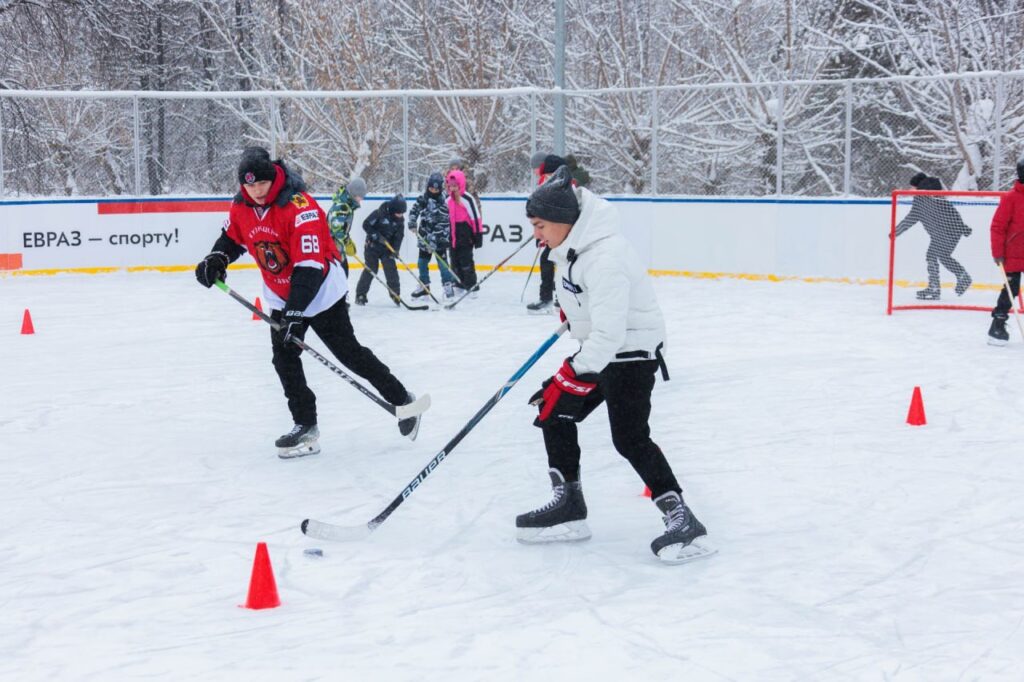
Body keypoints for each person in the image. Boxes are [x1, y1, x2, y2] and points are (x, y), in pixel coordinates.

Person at [515, 166, 711, 565]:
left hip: (632, 354)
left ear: (563, 221)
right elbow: (594, 314)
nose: (536, 234)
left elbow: (610, 333)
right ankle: (569, 502)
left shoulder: (604, 256)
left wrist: (570, 371)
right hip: (604, 350)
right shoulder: (575, 245)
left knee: (629, 437)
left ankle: (682, 518)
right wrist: (574, 318)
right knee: (552, 408)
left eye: (539, 225)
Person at [194, 148, 423, 457]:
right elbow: (232, 238)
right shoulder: (241, 206)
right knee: (284, 360)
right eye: (249, 186)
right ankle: (305, 426)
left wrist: (295, 313)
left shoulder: (301, 208)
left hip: (321, 293)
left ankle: (402, 399)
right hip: (281, 293)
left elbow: (310, 266)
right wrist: (217, 258)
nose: (256, 191)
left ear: (273, 177)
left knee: (349, 354)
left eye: (261, 184)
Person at [893, 173, 972, 300]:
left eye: (912, 187)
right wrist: (963, 227)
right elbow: (951, 211)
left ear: (918, 187)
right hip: (950, 233)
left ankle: (940, 286)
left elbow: (911, 218)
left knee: (933, 255)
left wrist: (895, 232)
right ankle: (953, 280)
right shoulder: (935, 196)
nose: (910, 190)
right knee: (941, 256)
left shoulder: (921, 199)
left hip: (944, 234)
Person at [526, 154, 571, 314]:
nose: (536, 172)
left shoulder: (563, 185)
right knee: (547, 260)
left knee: (559, 262)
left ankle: (558, 298)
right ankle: (550, 298)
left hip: (561, 234)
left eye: (537, 168)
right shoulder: (544, 182)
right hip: (550, 232)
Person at [987, 156, 1024, 345]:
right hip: (1014, 253)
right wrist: (998, 252)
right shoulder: (1011, 199)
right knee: (1011, 288)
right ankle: (997, 325)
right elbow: (997, 227)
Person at [353, 194, 408, 306]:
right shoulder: (379, 213)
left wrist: (395, 250)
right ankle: (360, 295)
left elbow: (399, 236)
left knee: (391, 269)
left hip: (387, 249)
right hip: (372, 246)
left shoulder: (400, 220)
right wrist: (377, 236)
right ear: (393, 209)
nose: (400, 215)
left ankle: (395, 294)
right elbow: (366, 224)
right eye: (398, 213)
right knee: (371, 269)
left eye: (402, 213)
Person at [408, 172, 455, 301]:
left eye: (436, 189)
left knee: (442, 264)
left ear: (440, 188)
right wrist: (412, 221)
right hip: (424, 237)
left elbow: (445, 222)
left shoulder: (445, 201)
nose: (433, 191)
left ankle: (448, 286)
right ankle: (424, 287)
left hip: (440, 239)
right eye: (431, 188)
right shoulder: (423, 198)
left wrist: (435, 239)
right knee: (422, 263)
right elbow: (414, 210)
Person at [446, 169, 483, 295]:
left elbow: (475, 217)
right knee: (454, 260)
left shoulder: (467, 198)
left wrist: (478, 235)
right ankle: (459, 284)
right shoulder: (448, 200)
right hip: (453, 236)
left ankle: (471, 286)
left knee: (466, 261)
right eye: (450, 186)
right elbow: (445, 217)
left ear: (461, 184)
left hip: (465, 235)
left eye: (455, 186)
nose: (453, 189)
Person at [326, 176, 367, 276]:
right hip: (333, 251)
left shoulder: (346, 205)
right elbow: (337, 230)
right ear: (354, 193)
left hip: (337, 249)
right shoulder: (342, 207)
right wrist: (347, 243)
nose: (361, 198)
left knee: (343, 276)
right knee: (341, 278)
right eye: (360, 195)